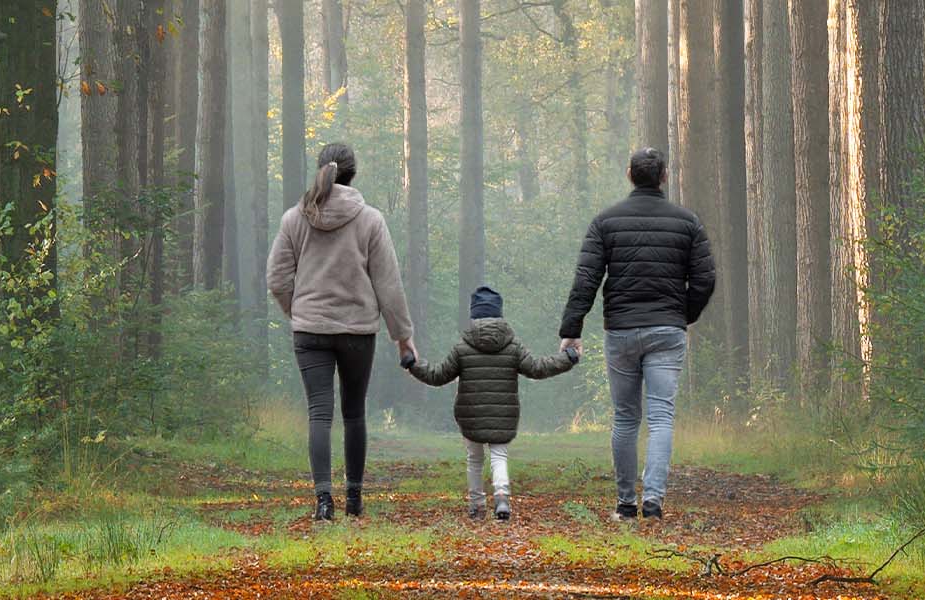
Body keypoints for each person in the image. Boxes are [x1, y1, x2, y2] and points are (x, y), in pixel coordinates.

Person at [557, 148, 716, 522]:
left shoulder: (605, 222)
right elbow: (705, 279)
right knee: (661, 417)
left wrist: (571, 329)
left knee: (626, 418)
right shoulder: (688, 222)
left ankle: (626, 503)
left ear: (629, 174)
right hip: (667, 330)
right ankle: (654, 502)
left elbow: (587, 279)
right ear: (663, 177)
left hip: (622, 331)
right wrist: (683, 314)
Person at [267, 143, 417, 521]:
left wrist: (296, 310)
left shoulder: (294, 220)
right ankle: (353, 499)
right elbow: (389, 285)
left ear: (322, 170)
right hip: (357, 332)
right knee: (353, 413)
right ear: (353, 174)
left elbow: (277, 279)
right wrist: (403, 336)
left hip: (309, 331)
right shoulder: (370, 220)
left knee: (319, 413)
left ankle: (322, 501)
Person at [405, 286, 580, 521]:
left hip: (471, 415)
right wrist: (567, 358)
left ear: (473, 315)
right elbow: (538, 368)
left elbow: (437, 375)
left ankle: (477, 506)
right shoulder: (513, 347)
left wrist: (412, 364)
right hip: (503, 415)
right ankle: (501, 499)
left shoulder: (462, 348)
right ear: (500, 315)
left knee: (474, 460)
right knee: (499, 457)